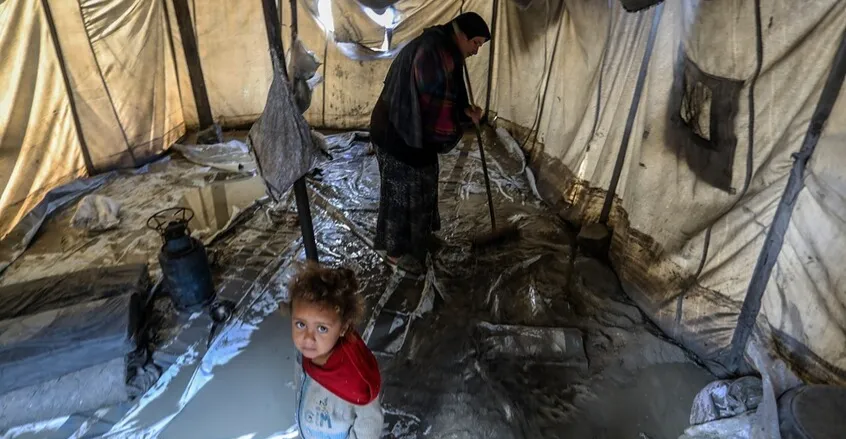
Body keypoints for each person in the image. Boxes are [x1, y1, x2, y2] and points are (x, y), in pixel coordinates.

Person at [370, 12, 491, 276]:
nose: (476, 50)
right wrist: (459, 122)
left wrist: (464, 111)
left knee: (424, 182)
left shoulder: (448, 51)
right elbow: (435, 108)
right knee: (399, 194)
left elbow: (451, 97)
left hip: (413, 130)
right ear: (461, 36)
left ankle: (420, 239)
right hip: (395, 131)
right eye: (476, 43)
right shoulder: (432, 55)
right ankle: (395, 253)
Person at [289, 263, 383, 439]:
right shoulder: (304, 353)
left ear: (343, 328)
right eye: (300, 324)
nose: (308, 338)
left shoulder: (357, 377)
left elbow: (370, 423)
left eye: (322, 328)